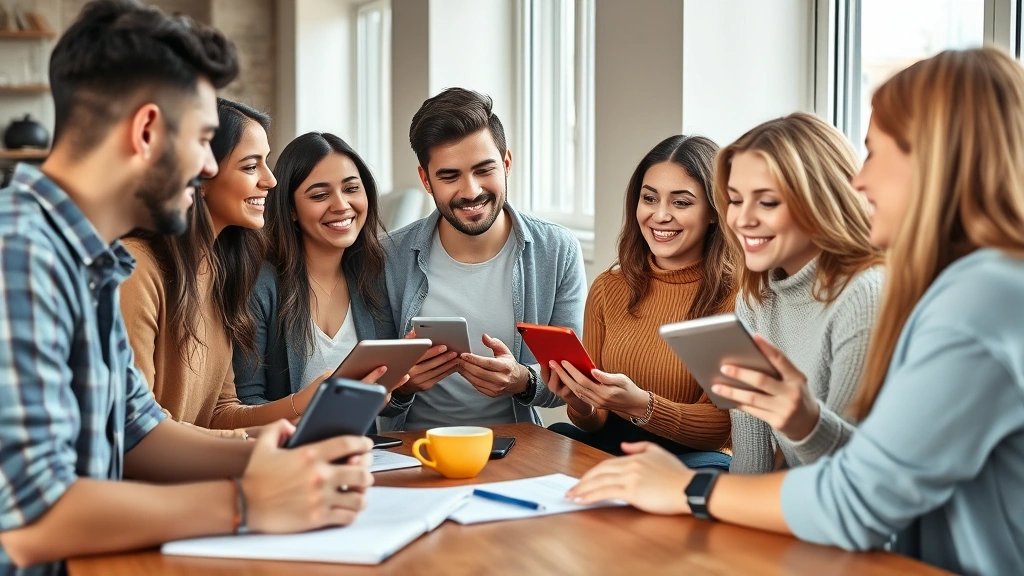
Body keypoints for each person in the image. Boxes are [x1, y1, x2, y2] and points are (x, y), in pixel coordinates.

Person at [568, 47, 1024, 576]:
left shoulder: (971, 302)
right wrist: (799, 422)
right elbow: (855, 474)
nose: (860, 181)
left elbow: (858, 499)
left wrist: (688, 487)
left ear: (939, 160)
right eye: (735, 199)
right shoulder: (960, 287)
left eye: (875, 153)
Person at [0, 2, 372, 573]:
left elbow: (140, 432)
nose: (208, 167)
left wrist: (279, 458)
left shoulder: (90, 261)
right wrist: (247, 502)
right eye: (202, 139)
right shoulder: (20, 252)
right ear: (147, 130)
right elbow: (29, 520)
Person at [379, 87, 587, 431]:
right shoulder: (388, 257)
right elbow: (371, 390)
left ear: (506, 163)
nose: (471, 191)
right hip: (411, 448)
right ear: (426, 180)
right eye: (449, 176)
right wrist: (402, 385)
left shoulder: (557, 249)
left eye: (484, 169)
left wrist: (524, 381)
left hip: (517, 445)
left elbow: (570, 382)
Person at [545, 135, 735, 470]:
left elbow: (721, 428)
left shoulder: (735, 297)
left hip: (690, 458)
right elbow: (593, 422)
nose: (660, 215)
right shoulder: (609, 288)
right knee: (554, 439)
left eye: (681, 203)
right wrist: (582, 402)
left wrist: (641, 405)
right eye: (649, 198)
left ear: (713, 212)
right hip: (615, 446)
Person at [714, 112, 883, 473]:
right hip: (793, 496)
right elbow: (751, 462)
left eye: (767, 202)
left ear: (822, 201)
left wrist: (804, 422)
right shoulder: (755, 298)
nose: (742, 219)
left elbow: (851, 475)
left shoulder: (864, 296)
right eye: (735, 200)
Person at [234, 132, 395, 406]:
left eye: (351, 189)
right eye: (320, 195)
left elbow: (384, 403)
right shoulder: (261, 286)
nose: (341, 206)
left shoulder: (376, 274)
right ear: (291, 209)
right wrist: (313, 407)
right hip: (287, 436)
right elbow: (246, 402)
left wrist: (403, 387)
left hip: (365, 435)